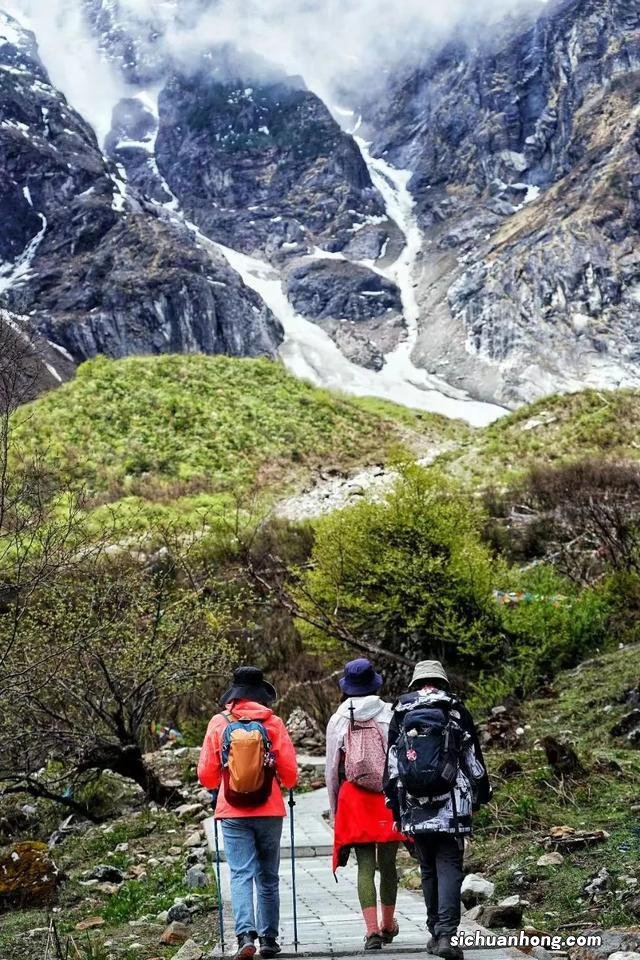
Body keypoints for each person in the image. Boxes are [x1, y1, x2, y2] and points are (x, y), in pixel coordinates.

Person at [384, 661, 491, 960]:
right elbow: (473, 761)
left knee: (427, 867)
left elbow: (392, 767)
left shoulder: (401, 712)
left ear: (416, 684)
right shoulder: (455, 710)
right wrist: (481, 795)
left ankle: (434, 932)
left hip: (413, 805)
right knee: (449, 865)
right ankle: (446, 935)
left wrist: (395, 807)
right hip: (452, 806)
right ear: (441, 681)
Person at [198, 666, 298, 960]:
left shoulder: (219, 723)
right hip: (269, 810)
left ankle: (245, 935)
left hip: (232, 811)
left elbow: (205, 775)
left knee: (240, 873)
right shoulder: (274, 723)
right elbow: (290, 775)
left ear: (234, 695)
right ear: (260, 694)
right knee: (268, 876)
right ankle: (269, 939)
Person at [326, 658, 404, 951]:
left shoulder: (338, 719)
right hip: (386, 797)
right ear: (374, 682)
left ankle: (371, 932)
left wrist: (335, 811)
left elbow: (332, 770)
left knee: (365, 867)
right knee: (388, 865)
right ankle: (388, 923)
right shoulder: (388, 714)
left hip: (355, 798)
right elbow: (397, 759)